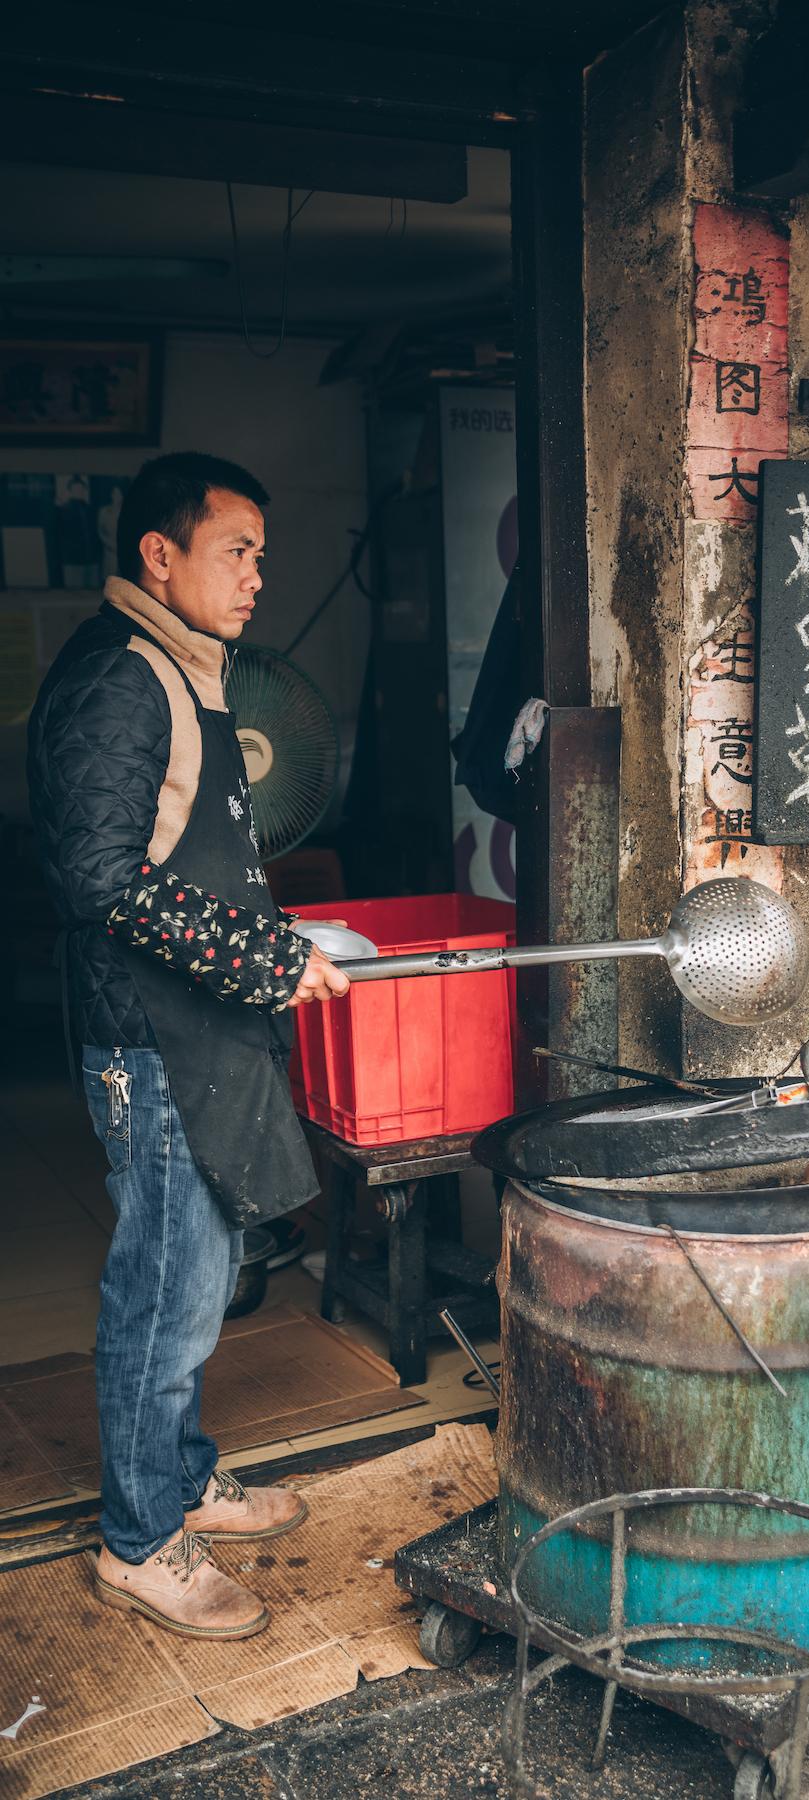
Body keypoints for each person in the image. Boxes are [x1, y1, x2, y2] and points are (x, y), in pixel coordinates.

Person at [27, 451, 350, 1641]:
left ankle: (181, 1479)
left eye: (263, 553)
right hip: (148, 1038)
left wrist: (271, 937)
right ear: (159, 555)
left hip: (199, 1026)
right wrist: (265, 959)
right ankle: (138, 1540)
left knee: (201, 1278)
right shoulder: (121, 678)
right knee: (164, 1289)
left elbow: (180, 852)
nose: (259, 575)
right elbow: (98, 878)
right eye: (237, 550)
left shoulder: (185, 667)